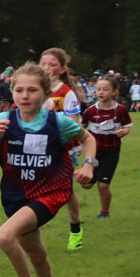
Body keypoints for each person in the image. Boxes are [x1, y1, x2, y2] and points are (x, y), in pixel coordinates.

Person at [0, 63, 95, 277]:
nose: (25, 95)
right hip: (16, 196)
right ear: (12, 92)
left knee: (5, 236)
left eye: (32, 90)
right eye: (19, 90)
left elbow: (88, 138)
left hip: (50, 191)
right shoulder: (1, 120)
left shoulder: (57, 122)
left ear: (45, 94)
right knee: (37, 255)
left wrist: (88, 165)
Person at [39, 48, 88, 250]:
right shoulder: (34, 89)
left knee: (66, 191)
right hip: (39, 147)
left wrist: (54, 119)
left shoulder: (66, 94)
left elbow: (74, 126)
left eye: (52, 64)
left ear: (61, 69)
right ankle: (31, 229)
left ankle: (75, 229)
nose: (47, 68)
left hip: (64, 148)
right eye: (43, 64)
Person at [81, 75, 131, 221]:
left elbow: (127, 126)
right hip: (94, 152)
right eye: (98, 89)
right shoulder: (90, 111)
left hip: (111, 152)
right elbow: (80, 129)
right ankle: (89, 176)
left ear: (114, 92)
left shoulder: (120, 110)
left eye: (105, 89)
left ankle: (104, 211)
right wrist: (78, 145)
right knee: (86, 185)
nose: (101, 92)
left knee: (103, 185)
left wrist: (124, 131)